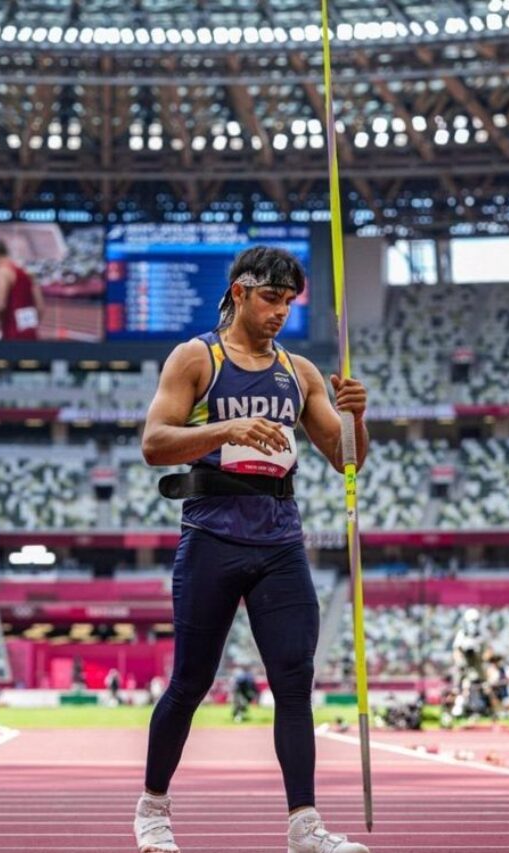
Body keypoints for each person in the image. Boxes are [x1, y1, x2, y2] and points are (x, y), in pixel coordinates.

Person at [134, 245, 370, 853]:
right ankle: (154, 809)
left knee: (294, 682)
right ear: (239, 292)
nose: (280, 313)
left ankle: (304, 827)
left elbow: (346, 460)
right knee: (189, 681)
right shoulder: (197, 358)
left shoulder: (301, 372)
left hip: (280, 541)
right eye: (270, 298)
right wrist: (226, 428)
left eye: (289, 302)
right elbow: (155, 443)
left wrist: (357, 418)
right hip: (211, 535)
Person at [0, 240, 44, 340]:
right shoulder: (27, 273)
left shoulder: (0, 271)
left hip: (11, 333)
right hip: (31, 334)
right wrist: (29, 327)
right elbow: (41, 307)